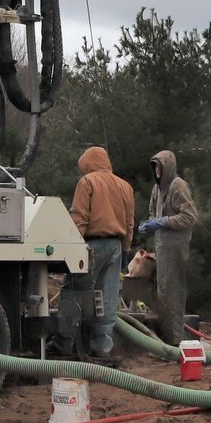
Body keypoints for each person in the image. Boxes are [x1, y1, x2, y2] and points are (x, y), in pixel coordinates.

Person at [68, 145, 134, 357]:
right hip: (115, 246)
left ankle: (64, 341)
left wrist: (72, 248)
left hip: (91, 246)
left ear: (87, 164)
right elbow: (130, 223)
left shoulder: (87, 182)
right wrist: (125, 250)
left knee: (75, 291)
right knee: (108, 298)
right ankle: (102, 347)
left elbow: (80, 217)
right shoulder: (125, 186)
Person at [138, 150, 200, 344]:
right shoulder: (157, 189)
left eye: (160, 166)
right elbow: (152, 211)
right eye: (154, 166)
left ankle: (175, 341)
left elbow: (190, 217)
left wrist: (163, 221)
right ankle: (166, 339)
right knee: (162, 292)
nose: (157, 170)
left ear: (167, 167)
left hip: (175, 248)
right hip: (161, 246)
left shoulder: (178, 186)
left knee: (173, 292)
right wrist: (148, 224)